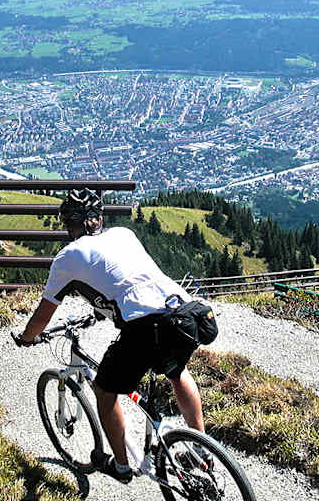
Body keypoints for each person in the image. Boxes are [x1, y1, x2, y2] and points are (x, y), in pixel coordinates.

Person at [11, 188, 206, 484]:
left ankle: (122, 467)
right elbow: (124, 278)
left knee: (103, 390)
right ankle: (200, 449)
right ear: (99, 219)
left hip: (146, 326)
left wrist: (27, 337)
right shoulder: (124, 234)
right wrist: (103, 311)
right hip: (184, 312)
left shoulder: (67, 257)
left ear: (70, 225)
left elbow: (43, 314)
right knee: (177, 372)